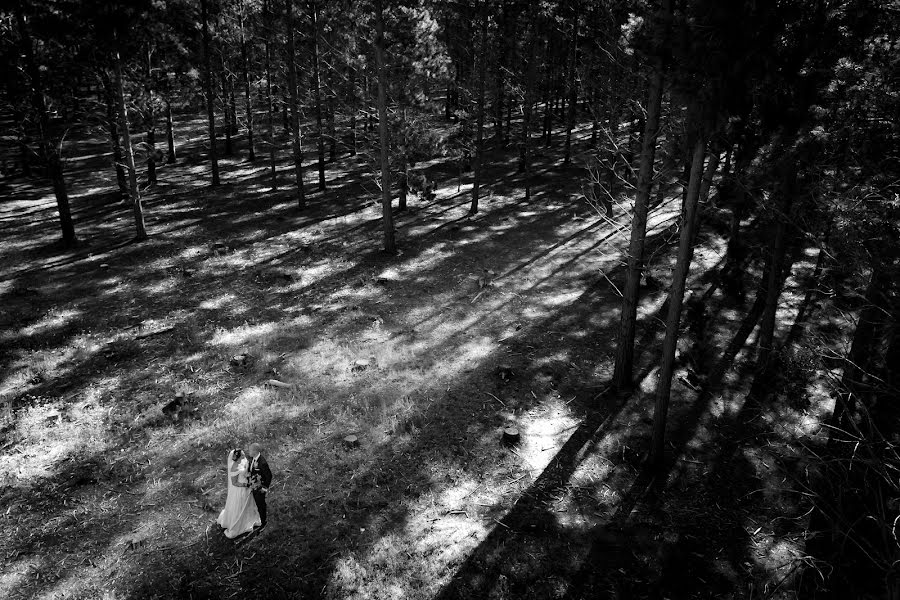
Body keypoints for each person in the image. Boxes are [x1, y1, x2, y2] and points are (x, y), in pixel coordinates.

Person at [216, 448, 261, 538]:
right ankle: (238, 524)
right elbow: (234, 483)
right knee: (240, 505)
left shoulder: (243, 461)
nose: (244, 454)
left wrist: (250, 476)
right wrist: (246, 484)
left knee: (248, 504)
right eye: (242, 454)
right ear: (239, 456)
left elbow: (246, 469)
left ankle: (250, 519)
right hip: (240, 488)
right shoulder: (234, 468)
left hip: (246, 484)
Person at [247, 443, 272, 529]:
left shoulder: (262, 462)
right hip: (254, 486)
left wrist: (265, 488)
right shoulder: (252, 459)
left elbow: (269, 476)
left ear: (255, 451)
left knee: (261, 505)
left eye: (250, 450)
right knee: (256, 504)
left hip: (260, 488)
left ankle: (264, 522)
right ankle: (259, 520)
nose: (248, 451)